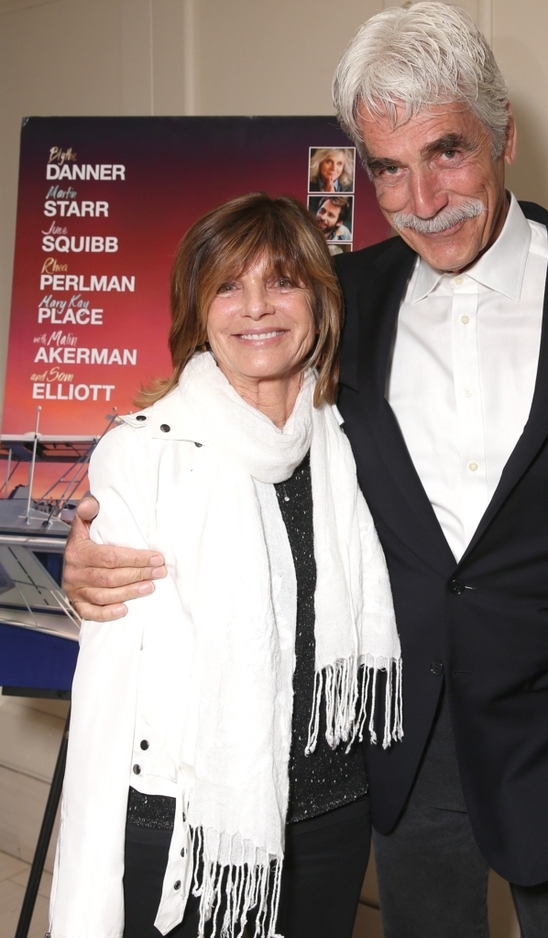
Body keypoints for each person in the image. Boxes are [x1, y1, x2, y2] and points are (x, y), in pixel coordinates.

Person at [63, 4, 548, 937]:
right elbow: (223, 426)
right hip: (399, 745)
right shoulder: (340, 300)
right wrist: (97, 541)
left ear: (505, 136)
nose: (423, 201)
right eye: (389, 169)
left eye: (448, 152)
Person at [49, 193, 401, 938]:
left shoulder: (352, 433)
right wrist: (81, 590)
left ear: (319, 300)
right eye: (229, 287)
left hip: (333, 812)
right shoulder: (144, 450)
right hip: (191, 819)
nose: (256, 308)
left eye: (282, 281)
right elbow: (112, 670)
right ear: (197, 310)